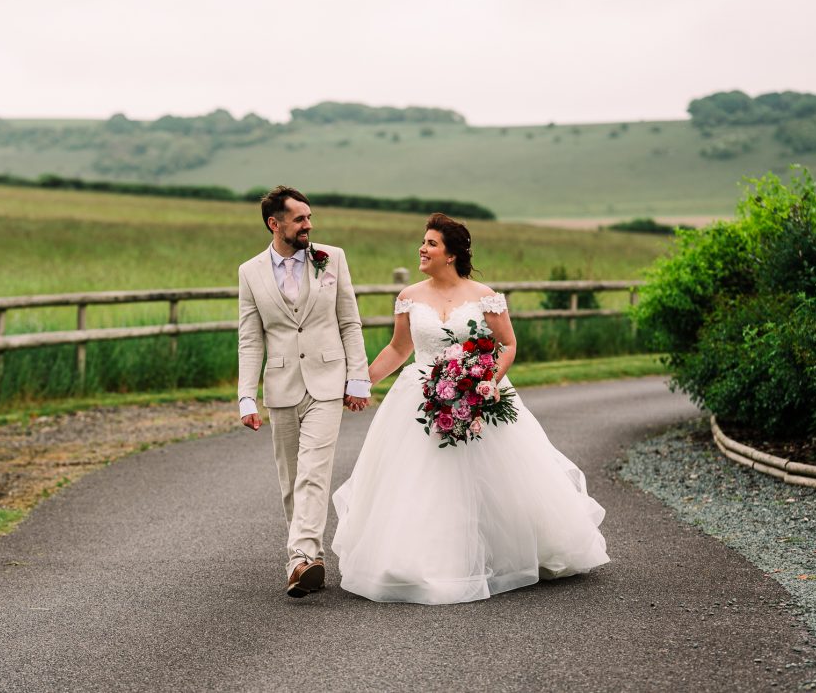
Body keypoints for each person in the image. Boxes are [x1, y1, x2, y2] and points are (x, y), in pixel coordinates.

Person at [331, 213, 610, 604]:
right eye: (423, 242)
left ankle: (502, 554)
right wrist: (361, 381)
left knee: (493, 478)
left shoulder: (484, 296)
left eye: (430, 243)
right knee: (424, 481)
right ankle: (420, 562)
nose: (422, 249)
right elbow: (398, 349)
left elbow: (508, 344)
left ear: (451, 254)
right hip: (419, 396)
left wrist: (486, 383)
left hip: (478, 393)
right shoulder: (409, 296)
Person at [237, 186, 371, 598]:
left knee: (314, 470)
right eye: (299, 219)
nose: (308, 225)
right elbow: (249, 337)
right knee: (291, 478)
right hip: (280, 386)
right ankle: (306, 558)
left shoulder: (332, 258)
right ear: (274, 224)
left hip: (328, 381)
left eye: (310, 217)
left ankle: (300, 557)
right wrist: (246, 395)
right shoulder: (250, 271)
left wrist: (358, 377)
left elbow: (349, 321)